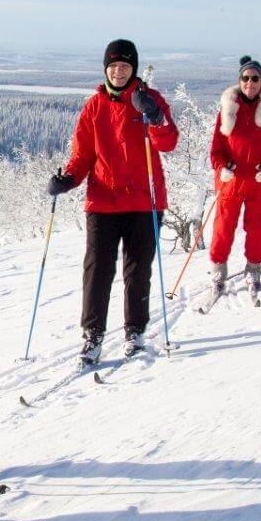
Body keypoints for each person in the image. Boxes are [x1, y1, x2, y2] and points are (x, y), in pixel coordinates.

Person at [46, 39, 178, 366]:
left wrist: (155, 116)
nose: (118, 72)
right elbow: (83, 154)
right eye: (113, 66)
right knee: (97, 270)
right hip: (103, 202)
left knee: (137, 269)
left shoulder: (149, 100)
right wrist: (69, 179)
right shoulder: (94, 106)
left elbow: (169, 142)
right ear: (106, 69)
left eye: (125, 67)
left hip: (144, 201)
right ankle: (92, 336)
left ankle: (135, 332)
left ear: (133, 69)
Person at [207, 57, 261, 293]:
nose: (250, 83)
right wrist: (221, 166)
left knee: (257, 229)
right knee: (223, 228)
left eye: (255, 78)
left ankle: (254, 270)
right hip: (231, 180)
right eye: (245, 78)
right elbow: (216, 148)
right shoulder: (228, 109)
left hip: (259, 180)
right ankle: (218, 271)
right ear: (239, 81)